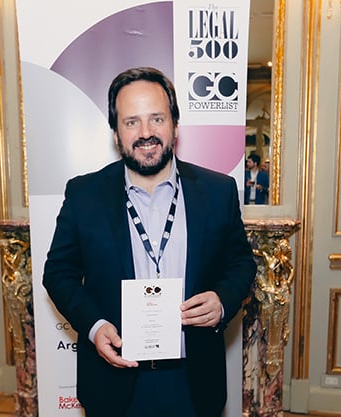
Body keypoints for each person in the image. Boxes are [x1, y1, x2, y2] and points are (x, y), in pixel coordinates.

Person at [42, 67, 257, 417]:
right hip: (114, 379)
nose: (146, 133)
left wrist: (222, 301)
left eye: (156, 118)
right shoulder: (84, 194)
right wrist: (95, 327)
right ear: (116, 133)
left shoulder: (218, 191)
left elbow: (241, 263)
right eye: (132, 122)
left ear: (175, 125)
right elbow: (58, 273)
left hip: (194, 380)